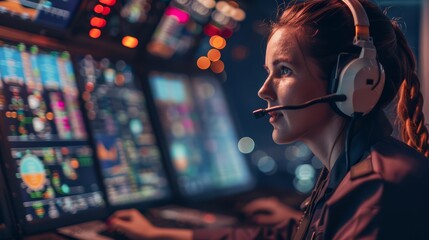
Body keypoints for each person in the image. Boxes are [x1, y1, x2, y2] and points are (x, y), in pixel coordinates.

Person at [106, 0, 429, 239]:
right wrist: (167, 234)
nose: (264, 91)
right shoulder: (352, 172)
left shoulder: (380, 191)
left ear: (352, 82)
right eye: (268, 73)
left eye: (284, 71)